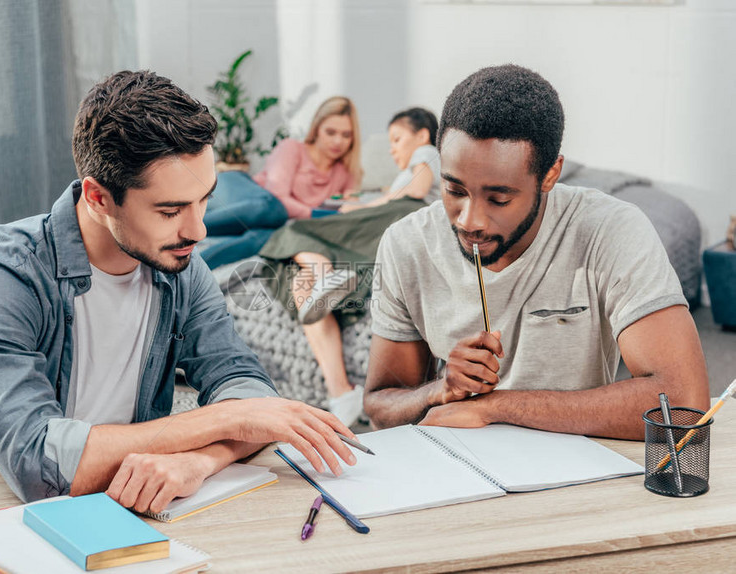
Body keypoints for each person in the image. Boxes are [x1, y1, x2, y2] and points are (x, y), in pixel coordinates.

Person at [0, 71, 357, 574]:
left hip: (108, 505)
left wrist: (199, 460)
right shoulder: (1, 274)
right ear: (99, 196)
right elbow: (41, 464)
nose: (198, 229)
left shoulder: (181, 268)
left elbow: (244, 387)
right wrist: (223, 420)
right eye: (171, 210)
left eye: (204, 199)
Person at [363, 65, 710, 438]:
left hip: (578, 472)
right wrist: (441, 388)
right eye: (455, 191)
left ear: (549, 175)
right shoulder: (406, 243)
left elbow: (683, 404)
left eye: (499, 198)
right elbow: (381, 408)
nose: (469, 221)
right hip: (457, 471)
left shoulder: (610, 230)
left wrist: (496, 408)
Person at [258, 108, 441, 426]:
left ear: (422, 135)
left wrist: (367, 206)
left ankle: (323, 272)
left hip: (400, 216)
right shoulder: (405, 172)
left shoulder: (430, 153)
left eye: (397, 139)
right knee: (297, 282)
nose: (392, 148)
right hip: (384, 228)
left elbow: (415, 191)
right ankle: (341, 392)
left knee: (292, 231)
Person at [200, 96, 362, 269]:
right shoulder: (292, 148)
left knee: (271, 236)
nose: (338, 141)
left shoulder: (346, 172)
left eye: (346, 135)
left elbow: (350, 210)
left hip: (271, 221)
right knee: (274, 209)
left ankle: (196, 268)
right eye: (331, 132)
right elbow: (278, 197)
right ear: (317, 129)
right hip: (240, 192)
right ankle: (190, 226)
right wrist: (325, 214)